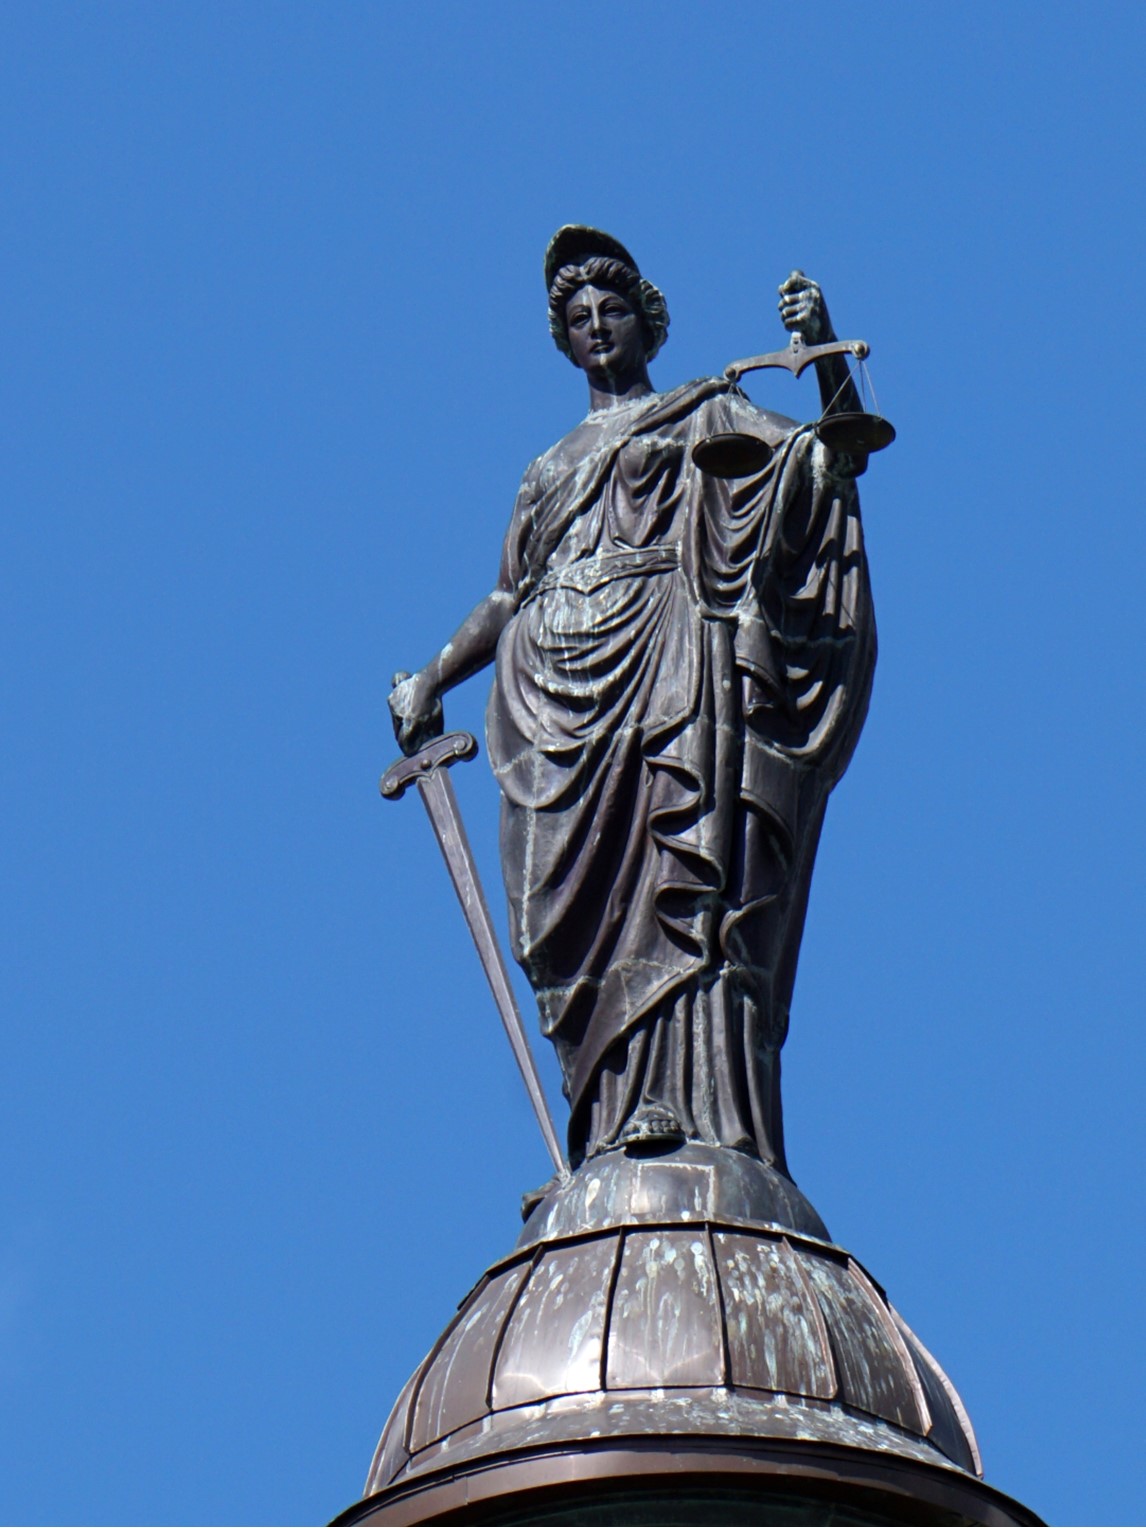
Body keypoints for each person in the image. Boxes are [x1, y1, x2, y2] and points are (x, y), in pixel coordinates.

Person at [390, 226, 875, 1174]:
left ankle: (684, 1110)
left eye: (612, 309)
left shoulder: (704, 414)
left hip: (668, 669)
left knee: (672, 886)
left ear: (647, 322)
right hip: (553, 705)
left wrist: (823, 348)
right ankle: (604, 1122)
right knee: (564, 925)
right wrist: (432, 676)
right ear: (563, 341)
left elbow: (829, 460)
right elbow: (506, 597)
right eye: (578, 317)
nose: (597, 326)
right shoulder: (546, 469)